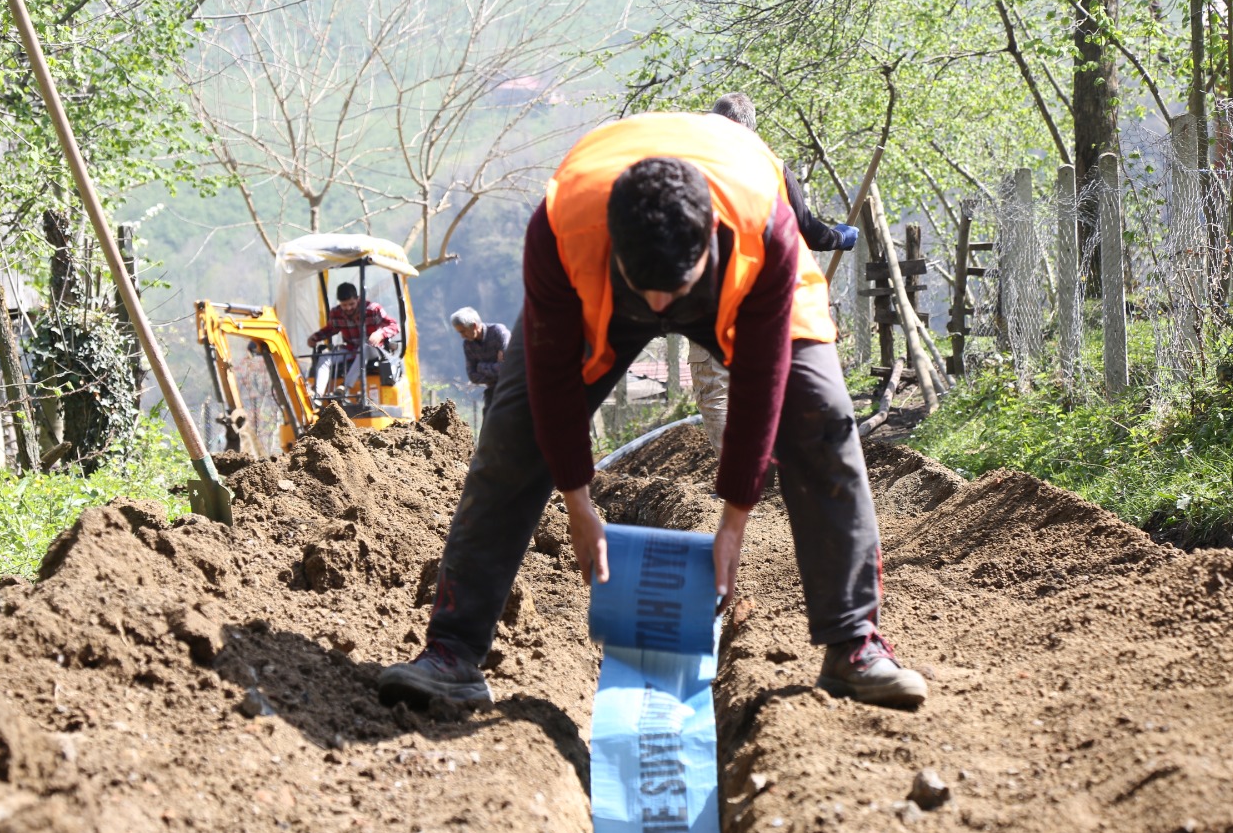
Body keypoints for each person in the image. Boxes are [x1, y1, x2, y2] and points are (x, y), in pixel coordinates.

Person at [377, 111, 929, 712]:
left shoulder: (760, 227)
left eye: (676, 290)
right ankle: (452, 651)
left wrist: (734, 520)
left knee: (821, 423)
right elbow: (553, 380)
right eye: (650, 291)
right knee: (512, 438)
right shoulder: (561, 229)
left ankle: (855, 644)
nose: (664, 307)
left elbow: (762, 381)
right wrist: (578, 503)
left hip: (737, 273)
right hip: (605, 286)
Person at [691, 92, 859, 457]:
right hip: (765, 295)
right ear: (751, 130)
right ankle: (785, 462)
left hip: (710, 298)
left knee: (718, 390)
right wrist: (839, 237)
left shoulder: (693, 167)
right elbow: (808, 231)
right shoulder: (771, 166)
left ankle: (745, 473)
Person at [309, 281, 400, 393]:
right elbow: (330, 329)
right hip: (351, 350)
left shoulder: (373, 309)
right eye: (344, 305)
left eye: (351, 304)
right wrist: (315, 338)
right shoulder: (336, 313)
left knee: (364, 348)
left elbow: (394, 326)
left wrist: (380, 333)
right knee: (325, 358)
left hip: (374, 350)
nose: (348, 308)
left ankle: (345, 387)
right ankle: (317, 394)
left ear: (357, 299)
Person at [450, 307, 510, 404]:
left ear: (474, 326)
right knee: (489, 417)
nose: (462, 336)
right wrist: (497, 367)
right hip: (493, 390)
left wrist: (481, 367)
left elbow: (508, 367)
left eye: (463, 331)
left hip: (512, 386)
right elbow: (472, 376)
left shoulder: (498, 332)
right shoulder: (468, 345)